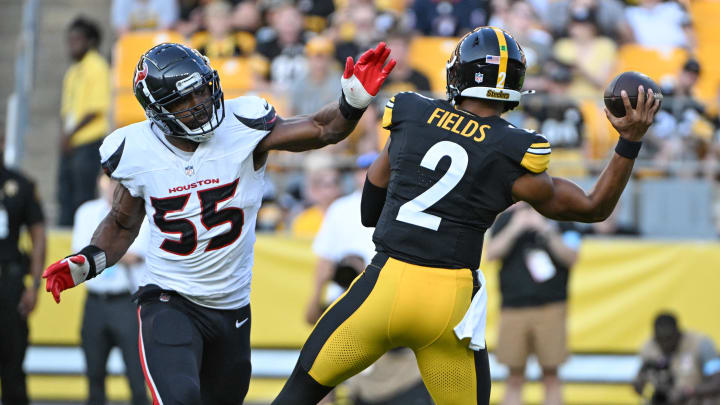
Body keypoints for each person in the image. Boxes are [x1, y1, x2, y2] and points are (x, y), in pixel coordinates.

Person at [272, 26, 661, 405]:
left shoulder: (412, 114)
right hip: (448, 304)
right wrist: (630, 141)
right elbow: (595, 207)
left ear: (458, 73)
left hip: (385, 284)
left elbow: (370, 209)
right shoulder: (513, 148)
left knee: (299, 393)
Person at [42, 42, 395, 405]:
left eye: (202, 90)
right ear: (158, 112)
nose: (201, 103)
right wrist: (88, 262)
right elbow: (121, 223)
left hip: (232, 307)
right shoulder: (136, 151)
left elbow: (323, 130)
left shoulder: (243, 126)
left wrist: (351, 101)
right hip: (169, 299)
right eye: (185, 99)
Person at [307, 153, 432, 405]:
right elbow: (325, 261)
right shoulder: (340, 209)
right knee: (323, 372)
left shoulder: (402, 204)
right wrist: (313, 301)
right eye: (360, 169)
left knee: (388, 372)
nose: (364, 175)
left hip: (385, 297)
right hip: (346, 294)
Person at [484, 202, 581, 405]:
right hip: (512, 309)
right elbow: (491, 253)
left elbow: (572, 258)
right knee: (514, 377)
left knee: (551, 376)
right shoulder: (507, 218)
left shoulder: (563, 217)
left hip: (551, 308)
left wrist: (546, 229)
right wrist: (515, 228)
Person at [72, 174, 151, 405]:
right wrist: (113, 252)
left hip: (125, 301)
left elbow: (135, 257)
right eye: (110, 182)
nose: (113, 188)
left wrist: (96, 253)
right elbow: (79, 261)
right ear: (101, 182)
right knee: (94, 374)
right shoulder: (86, 212)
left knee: (137, 376)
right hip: (95, 301)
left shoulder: (142, 214)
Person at [0, 130, 47, 405]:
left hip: (9, 283)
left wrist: (35, 285)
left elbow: (38, 235)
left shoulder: (21, 184)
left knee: (13, 366)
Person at [58, 17, 111, 226]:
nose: (72, 45)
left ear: (90, 41)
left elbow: (96, 109)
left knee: (83, 195)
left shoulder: (97, 66)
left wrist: (69, 135)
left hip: (89, 141)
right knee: (65, 194)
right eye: (69, 40)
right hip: (72, 142)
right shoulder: (73, 71)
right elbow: (67, 111)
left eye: (77, 40)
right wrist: (65, 136)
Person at [633, 313, 718, 404]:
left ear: (678, 332)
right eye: (659, 339)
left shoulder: (700, 344)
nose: (664, 343)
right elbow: (638, 386)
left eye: (668, 338)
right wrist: (641, 378)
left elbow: (717, 381)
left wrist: (691, 392)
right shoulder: (649, 347)